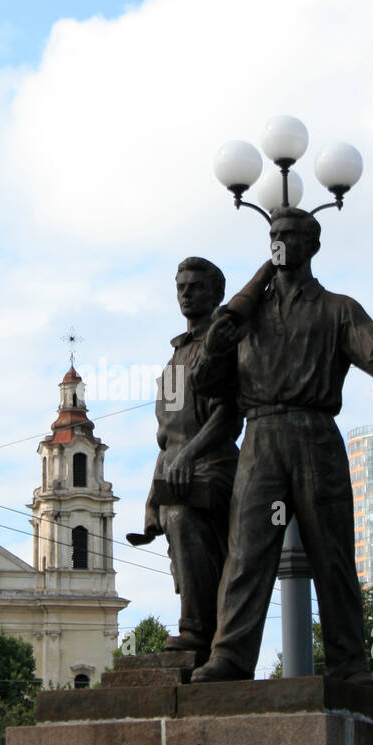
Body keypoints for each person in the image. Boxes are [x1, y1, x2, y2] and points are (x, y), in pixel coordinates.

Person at [190, 204, 373, 684]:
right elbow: (204, 381)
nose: (279, 240)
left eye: (290, 234)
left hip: (316, 435)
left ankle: (349, 663)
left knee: (332, 554)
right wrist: (217, 341)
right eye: (273, 233)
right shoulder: (243, 315)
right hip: (260, 437)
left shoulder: (337, 309)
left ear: (312, 246)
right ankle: (231, 658)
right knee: (246, 555)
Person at [127, 257, 242, 662]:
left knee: (181, 516)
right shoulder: (177, 357)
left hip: (215, 466)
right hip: (179, 469)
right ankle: (198, 622)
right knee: (174, 520)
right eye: (180, 287)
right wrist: (151, 499)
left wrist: (188, 457)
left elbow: (227, 417)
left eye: (195, 286)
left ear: (217, 293)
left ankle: (198, 630)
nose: (186, 293)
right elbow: (169, 436)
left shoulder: (223, 343)